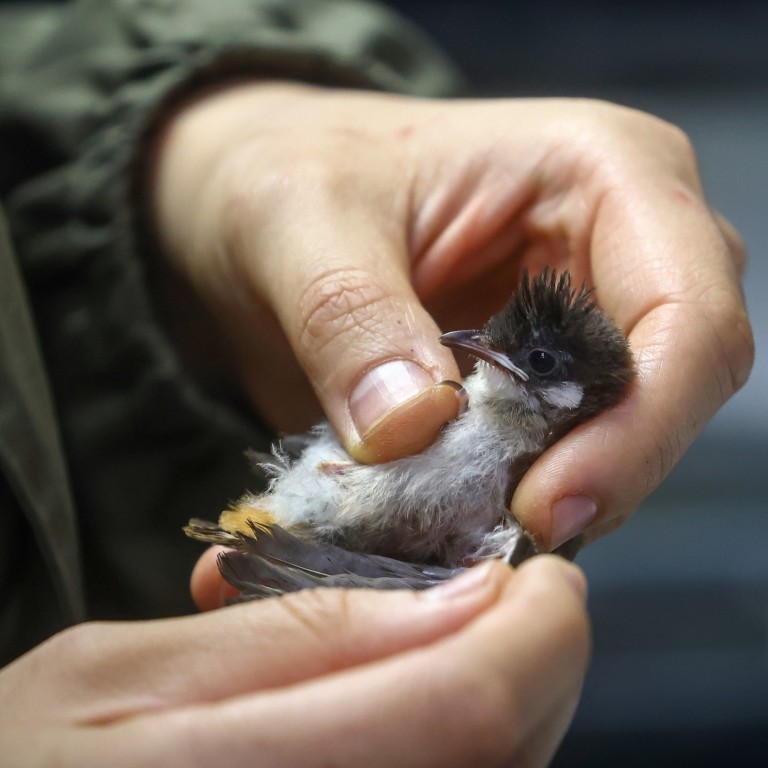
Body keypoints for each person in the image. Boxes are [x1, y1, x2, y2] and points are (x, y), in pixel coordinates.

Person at [0, 0, 753, 764]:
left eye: (535, 363)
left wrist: (198, 150)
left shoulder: (512, 511)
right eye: (493, 346)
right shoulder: (455, 416)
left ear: (569, 399)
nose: (476, 353)